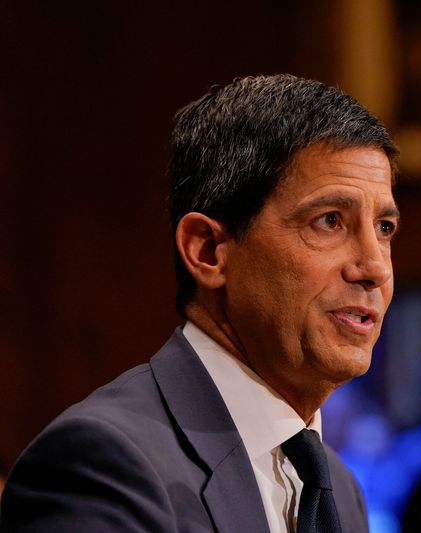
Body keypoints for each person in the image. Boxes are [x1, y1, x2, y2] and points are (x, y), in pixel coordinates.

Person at [0, 74, 400, 533]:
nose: (376, 267)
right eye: (330, 221)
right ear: (208, 250)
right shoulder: (102, 465)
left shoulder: (340, 491)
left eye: (385, 228)